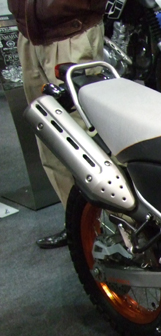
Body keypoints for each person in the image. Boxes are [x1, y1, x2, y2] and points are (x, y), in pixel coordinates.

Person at [8, 0, 108, 248]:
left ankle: (121, 227)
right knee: (50, 138)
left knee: (88, 138)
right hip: (29, 35)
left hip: (72, 31)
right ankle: (79, 225)